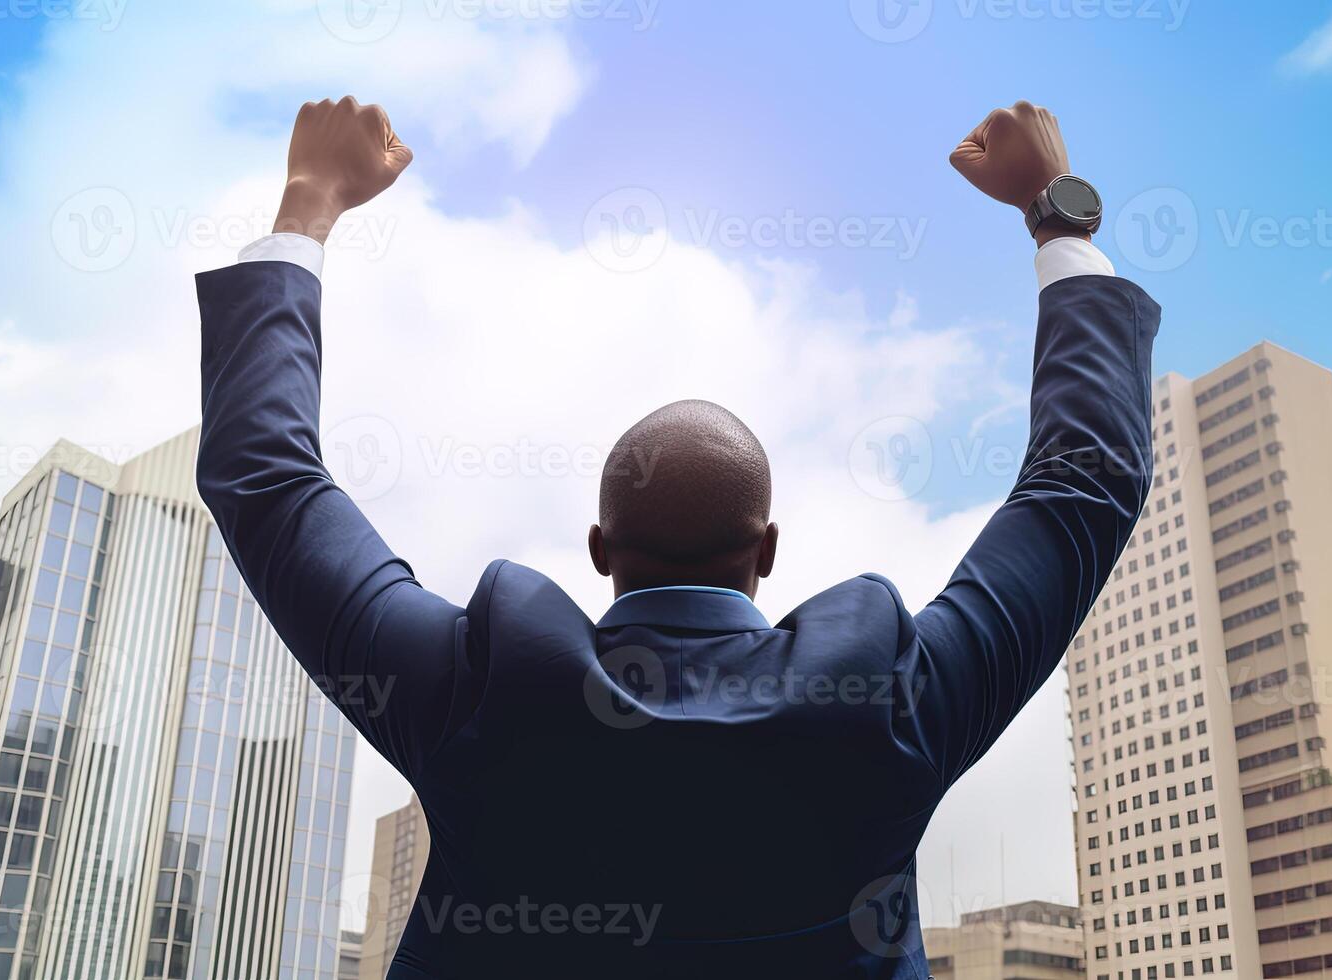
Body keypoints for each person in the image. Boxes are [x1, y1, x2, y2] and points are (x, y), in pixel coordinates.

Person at [196, 96, 1159, 979]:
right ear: (766, 551)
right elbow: (1084, 484)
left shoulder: (477, 693)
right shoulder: (889, 706)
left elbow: (269, 483)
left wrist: (309, 204)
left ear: (599, 549)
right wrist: (1056, 216)